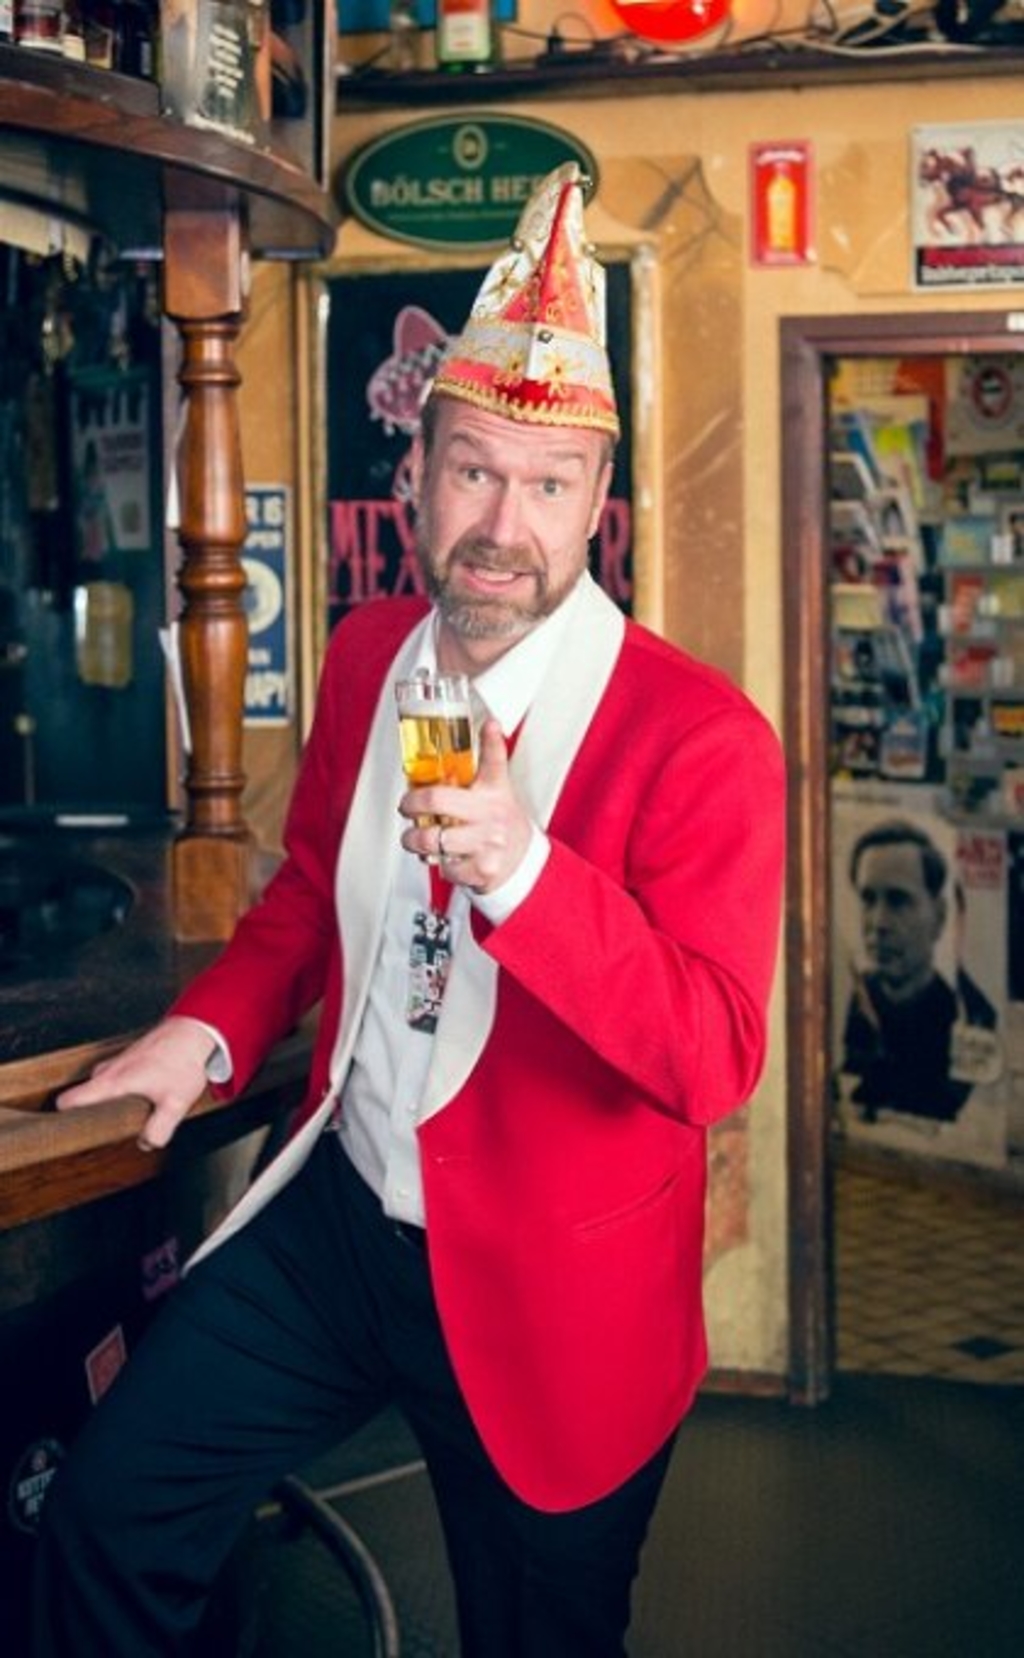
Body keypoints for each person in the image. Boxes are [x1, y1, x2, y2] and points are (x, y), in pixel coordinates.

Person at [33, 165, 786, 1658]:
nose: (503, 521)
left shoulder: (699, 738)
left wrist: (520, 868)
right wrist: (204, 1030)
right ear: (415, 475)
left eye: (548, 482)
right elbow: (312, 891)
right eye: (471, 470)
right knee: (106, 1516)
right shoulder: (377, 648)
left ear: (597, 506)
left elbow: (713, 1056)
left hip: (555, 1289)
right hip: (342, 1223)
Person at [841, 817, 997, 1124]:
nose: (878, 923)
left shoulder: (968, 1015)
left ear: (938, 917)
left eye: (898, 901)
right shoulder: (863, 996)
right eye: (868, 900)